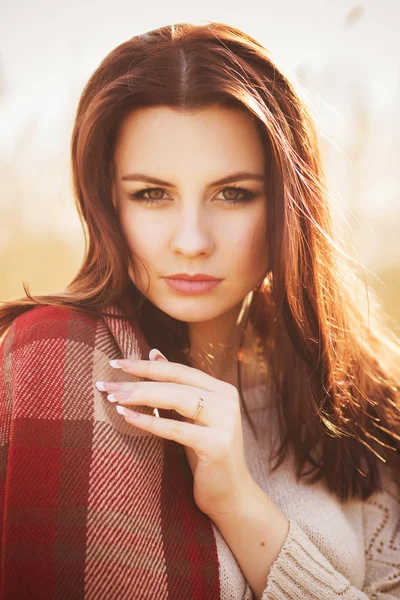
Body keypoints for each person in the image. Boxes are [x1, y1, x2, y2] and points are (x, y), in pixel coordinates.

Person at [0, 21, 399, 600]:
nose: (191, 240)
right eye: (151, 194)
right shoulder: (48, 364)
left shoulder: (364, 400)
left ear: (290, 202)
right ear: (107, 201)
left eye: (233, 193)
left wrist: (236, 502)